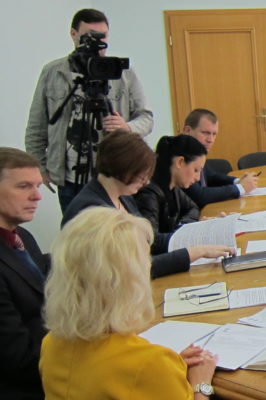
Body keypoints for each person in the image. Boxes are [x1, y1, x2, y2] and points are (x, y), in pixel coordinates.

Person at [40, 208, 218, 399]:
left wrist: (173, 366)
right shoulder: (151, 363)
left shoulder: (50, 345)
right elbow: (136, 373)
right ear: (131, 280)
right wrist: (201, 384)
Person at [24, 8, 153, 211]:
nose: (97, 43)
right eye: (89, 36)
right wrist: (39, 168)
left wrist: (126, 127)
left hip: (114, 174)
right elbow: (37, 125)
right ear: (73, 34)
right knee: (76, 228)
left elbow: (146, 118)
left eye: (102, 36)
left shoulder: (123, 72)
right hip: (69, 176)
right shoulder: (53, 72)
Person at [62, 131, 232, 278]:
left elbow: (148, 239)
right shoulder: (90, 210)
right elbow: (131, 268)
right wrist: (192, 253)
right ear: (124, 167)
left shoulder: (123, 195)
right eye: (142, 174)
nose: (146, 181)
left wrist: (196, 232)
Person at [0, 148, 49, 399]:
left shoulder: (22, 236)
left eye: (38, 186)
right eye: (23, 186)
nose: (37, 196)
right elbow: (18, 358)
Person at [180, 109, 259, 207]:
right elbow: (200, 196)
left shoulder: (195, 152)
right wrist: (240, 188)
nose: (210, 140)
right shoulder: (179, 156)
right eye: (205, 133)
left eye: (214, 134)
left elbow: (211, 177)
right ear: (187, 131)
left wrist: (238, 181)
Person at [134, 135, 205, 234]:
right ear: (180, 162)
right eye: (196, 170)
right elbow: (152, 238)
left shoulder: (173, 187)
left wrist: (183, 225)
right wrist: (182, 232)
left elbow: (193, 208)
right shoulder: (149, 193)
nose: (198, 178)